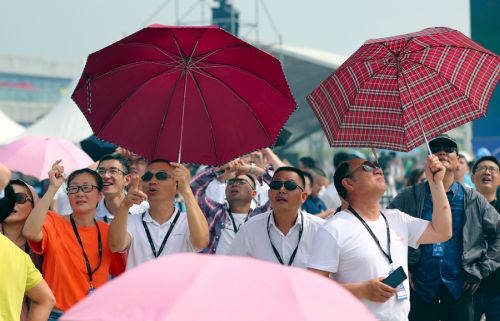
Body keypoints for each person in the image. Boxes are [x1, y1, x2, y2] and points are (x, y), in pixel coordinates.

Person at [308, 155, 452, 321]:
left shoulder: (396, 218)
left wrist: (436, 184)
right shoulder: (334, 228)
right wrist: (362, 290)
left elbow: (443, 231)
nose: (378, 169)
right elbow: (313, 287)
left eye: (376, 165)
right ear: (349, 183)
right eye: (367, 167)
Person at [388, 135, 500, 321]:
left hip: (460, 286)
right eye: (435, 148)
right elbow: (385, 231)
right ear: (428, 159)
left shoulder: (473, 199)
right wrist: (401, 267)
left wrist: (480, 269)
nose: (442, 151)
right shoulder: (409, 197)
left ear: (458, 160)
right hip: (419, 286)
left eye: (449, 149)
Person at [22, 161, 126, 319]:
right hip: (57, 314)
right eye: (74, 188)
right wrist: (53, 188)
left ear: (100, 194)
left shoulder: (108, 232)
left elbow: (122, 274)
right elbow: (30, 232)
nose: (80, 193)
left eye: (86, 188)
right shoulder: (54, 221)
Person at [108, 160, 209, 270]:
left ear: (176, 184)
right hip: (138, 287)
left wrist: (186, 190)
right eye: (147, 177)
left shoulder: (188, 220)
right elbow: (115, 246)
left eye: (161, 176)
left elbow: (201, 242)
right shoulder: (132, 221)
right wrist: (124, 205)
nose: (153, 181)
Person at [229, 167, 325, 268]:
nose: (281, 190)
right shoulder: (250, 229)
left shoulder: (320, 230)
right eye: (276, 185)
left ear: (303, 197)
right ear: (269, 193)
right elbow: (232, 268)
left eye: (290, 185)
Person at [191, 159, 272, 254]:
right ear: (225, 192)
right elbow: (194, 188)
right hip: (215, 268)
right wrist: (219, 169)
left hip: (250, 268)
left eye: (242, 182)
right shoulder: (214, 212)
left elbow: (281, 186)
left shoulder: (263, 216)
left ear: (253, 193)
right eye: (231, 182)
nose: (235, 184)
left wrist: (251, 169)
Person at [1, 180, 43, 321]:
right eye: (6, 198)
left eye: (18, 198)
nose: (10, 203)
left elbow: (45, 299)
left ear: (34, 206)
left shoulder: (42, 246)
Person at [470, 156, 500, 321]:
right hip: (470, 287)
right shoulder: (463, 207)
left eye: (492, 169)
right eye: (481, 168)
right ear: (472, 177)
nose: (487, 172)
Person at [95, 154, 148, 222]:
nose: (106, 176)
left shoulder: (144, 210)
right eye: (101, 171)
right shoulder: (91, 214)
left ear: (127, 180)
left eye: (113, 171)